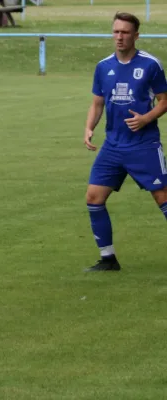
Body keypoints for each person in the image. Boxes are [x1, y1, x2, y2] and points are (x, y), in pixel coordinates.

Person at [84, 12, 167, 272]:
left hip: (143, 145)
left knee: (162, 197)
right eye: (116, 32)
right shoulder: (103, 66)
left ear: (136, 35)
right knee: (94, 198)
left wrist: (145, 119)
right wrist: (89, 127)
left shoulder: (151, 65)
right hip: (113, 146)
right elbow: (98, 102)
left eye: (125, 32)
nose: (119, 37)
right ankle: (108, 259)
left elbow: (164, 101)